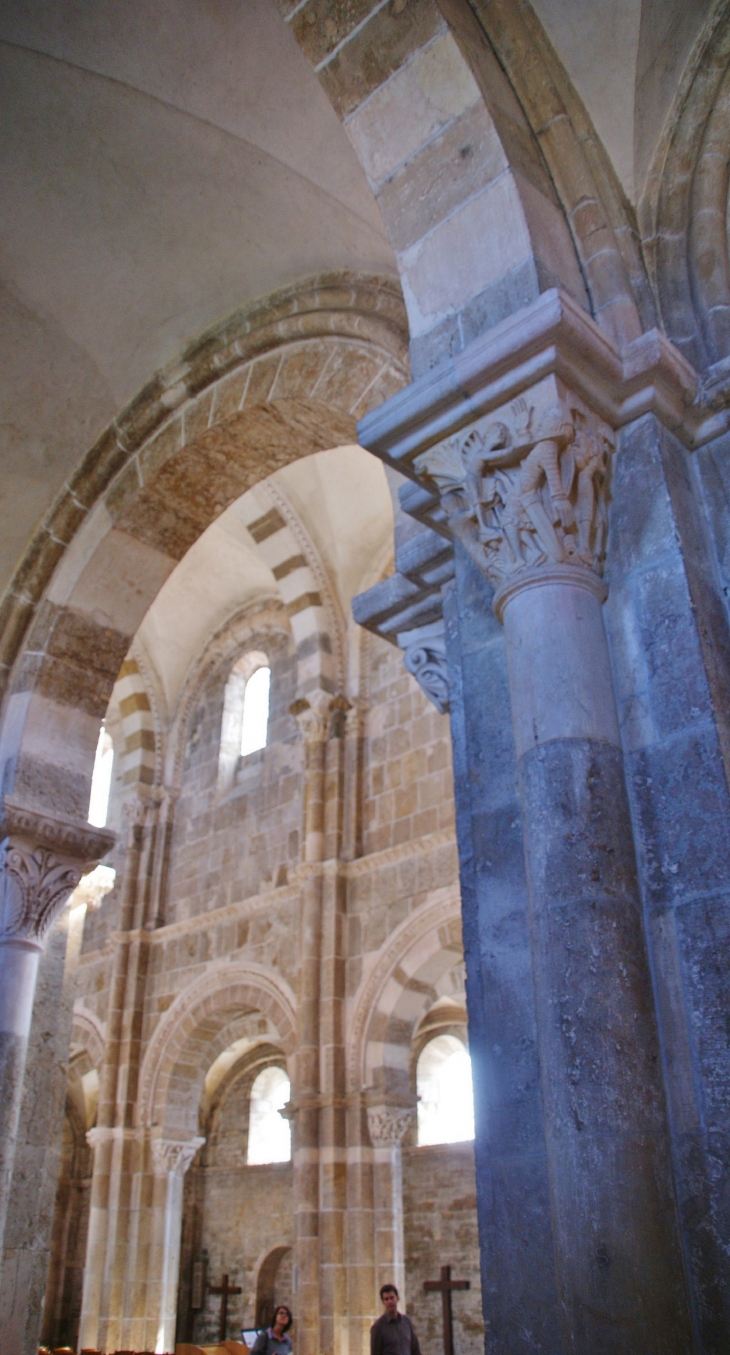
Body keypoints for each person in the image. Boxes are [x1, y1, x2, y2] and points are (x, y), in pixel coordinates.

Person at [370, 1284, 421, 1355]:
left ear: (397, 1298)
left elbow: (415, 1349)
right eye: (386, 1299)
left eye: (392, 1298)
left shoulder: (406, 1322)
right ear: (383, 1302)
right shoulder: (378, 1327)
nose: (389, 1302)